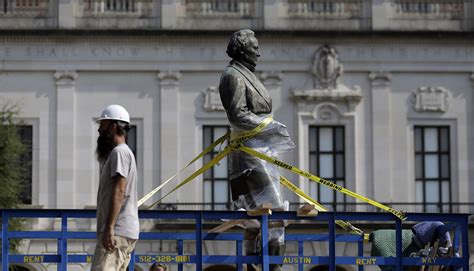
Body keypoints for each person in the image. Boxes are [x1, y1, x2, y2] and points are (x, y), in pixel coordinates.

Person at [219, 29, 295, 271]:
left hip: (260, 153)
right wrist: (269, 125)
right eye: (254, 49)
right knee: (274, 219)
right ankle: (273, 268)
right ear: (243, 50)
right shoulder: (233, 75)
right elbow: (237, 115)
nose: (258, 53)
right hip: (248, 158)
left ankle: (255, 267)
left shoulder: (244, 75)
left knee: (255, 220)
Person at [91, 104, 139, 271]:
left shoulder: (119, 153)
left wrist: (109, 228)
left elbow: (119, 190)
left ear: (113, 126)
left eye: (102, 125)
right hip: (122, 230)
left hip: (117, 231)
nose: (99, 130)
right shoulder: (122, 153)